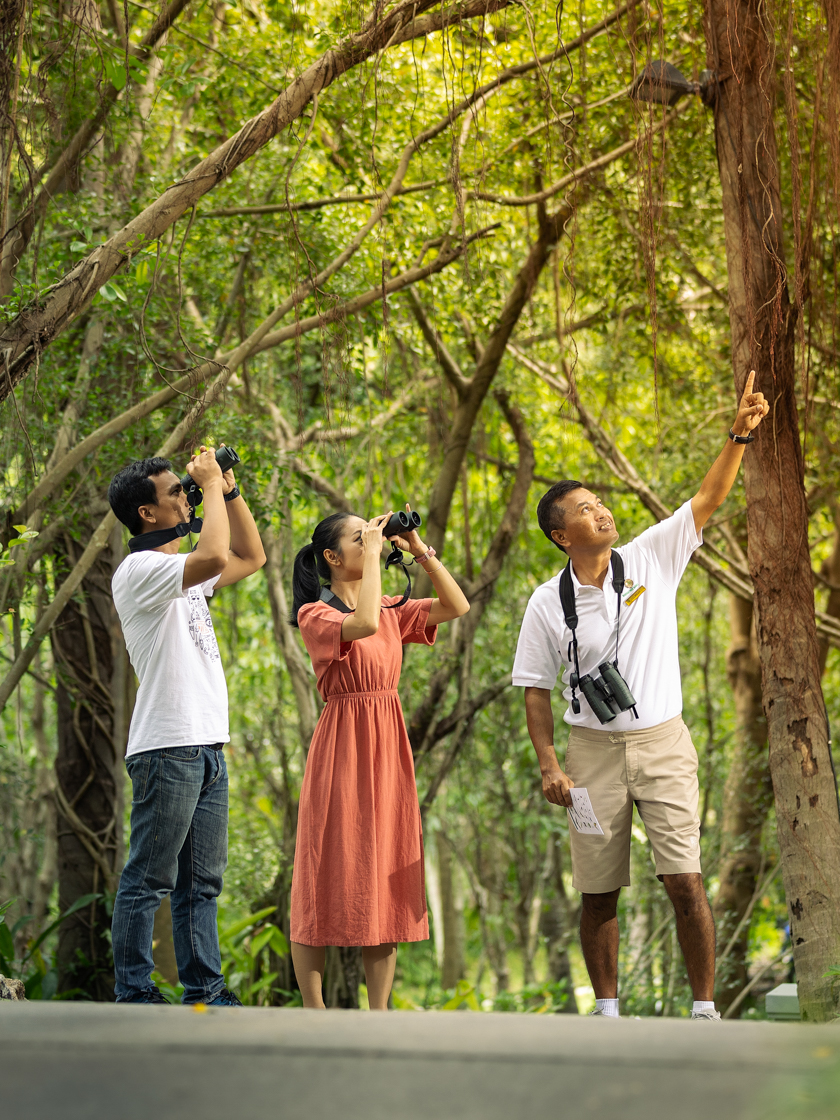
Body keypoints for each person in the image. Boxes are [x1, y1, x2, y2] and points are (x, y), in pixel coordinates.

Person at [512, 373, 769, 1021]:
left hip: (664, 743)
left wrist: (738, 434)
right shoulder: (547, 603)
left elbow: (708, 498)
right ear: (560, 536)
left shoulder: (652, 556)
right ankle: (607, 1011)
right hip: (589, 753)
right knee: (598, 889)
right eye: (583, 510)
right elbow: (535, 691)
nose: (600, 511)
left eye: (600, 502)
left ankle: (705, 1009)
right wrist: (550, 762)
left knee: (685, 878)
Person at [289, 507, 470, 1009]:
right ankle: (315, 1009)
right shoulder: (316, 614)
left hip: (388, 744)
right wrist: (374, 552)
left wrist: (420, 552)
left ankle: (379, 1011)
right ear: (332, 556)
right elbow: (363, 623)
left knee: (383, 864)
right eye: (357, 537)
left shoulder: (394, 605)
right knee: (323, 867)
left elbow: (458, 606)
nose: (371, 541)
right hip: (343, 745)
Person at [108, 445, 265, 1004]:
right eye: (177, 490)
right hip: (167, 746)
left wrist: (228, 486)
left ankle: (208, 991)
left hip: (206, 746)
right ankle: (134, 992)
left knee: (202, 885)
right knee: (150, 878)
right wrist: (214, 491)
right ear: (146, 513)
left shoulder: (180, 573)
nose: (187, 495)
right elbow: (217, 555)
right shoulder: (141, 570)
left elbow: (250, 555)